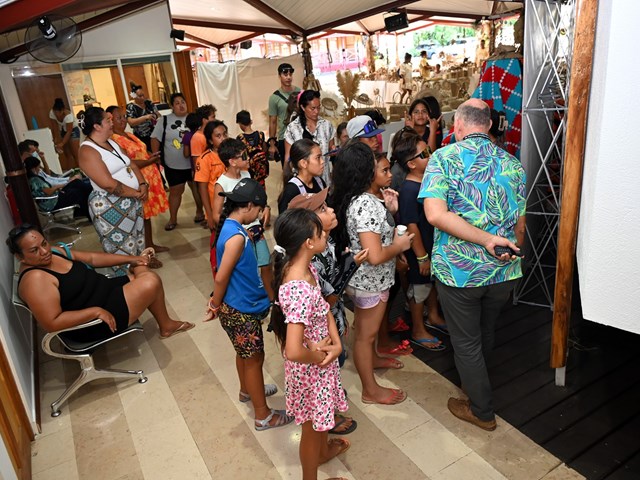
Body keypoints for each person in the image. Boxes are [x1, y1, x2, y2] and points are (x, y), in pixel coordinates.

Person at [420, 98, 526, 431]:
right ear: (489, 125)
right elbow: (520, 226)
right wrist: (504, 247)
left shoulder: (443, 158)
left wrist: (484, 240)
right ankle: (474, 381)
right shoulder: (513, 164)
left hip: (460, 271)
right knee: (485, 330)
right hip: (504, 270)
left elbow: (435, 214)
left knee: (466, 341)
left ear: (458, 126)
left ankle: (481, 410)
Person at [330, 142, 414, 405]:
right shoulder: (365, 205)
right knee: (365, 336)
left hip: (370, 279)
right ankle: (370, 390)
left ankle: (374, 358)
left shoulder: (365, 198)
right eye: (379, 167)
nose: (387, 172)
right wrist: (399, 245)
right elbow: (375, 255)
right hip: (369, 281)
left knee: (368, 330)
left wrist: (390, 211)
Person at [9, 224, 194, 343]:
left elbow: (92, 258)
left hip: (102, 292)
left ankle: (165, 323)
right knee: (150, 282)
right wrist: (95, 312)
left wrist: (131, 258)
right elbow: (52, 322)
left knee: (143, 272)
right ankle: (140, 269)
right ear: (20, 257)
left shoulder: (53, 252)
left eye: (44, 243)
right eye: (34, 250)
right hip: (91, 322)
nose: (44, 251)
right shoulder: (36, 279)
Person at [206, 179, 293, 431]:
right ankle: (263, 415)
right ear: (248, 206)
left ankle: (247, 390)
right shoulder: (236, 237)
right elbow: (221, 277)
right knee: (254, 359)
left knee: (244, 354)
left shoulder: (230, 227)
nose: (260, 214)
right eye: (260, 209)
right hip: (240, 309)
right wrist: (214, 305)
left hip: (236, 306)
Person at [270, 208, 350, 479]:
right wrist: (320, 356)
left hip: (321, 360)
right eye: (320, 233)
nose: (325, 235)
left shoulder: (306, 268)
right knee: (312, 429)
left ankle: (323, 452)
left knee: (321, 421)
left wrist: (336, 343)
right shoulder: (298, 288)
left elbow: (324, 308)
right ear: (308, 242)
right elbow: (294, 350)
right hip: (312, 368)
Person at [289, 189, 365, 435]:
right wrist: (351, 266)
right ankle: (327, 415)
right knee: (328, 373)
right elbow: (327, 299)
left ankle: (328, 406)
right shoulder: (309, 265)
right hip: (318, 344)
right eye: (322, 209)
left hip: (331, 324)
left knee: (334, 368)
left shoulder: (325, 246)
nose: (331, 210)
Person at [78, 107, 147, 276]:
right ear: (97, 126)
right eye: (107, 120)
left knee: (137, 242)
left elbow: (130, 163)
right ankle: (127, 282)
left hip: (132, 200)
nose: (112, 123)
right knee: (121, 250)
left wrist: (142, 183)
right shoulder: (87, 150)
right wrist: (136, 193)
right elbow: (108, 184)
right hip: (110, 206)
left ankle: (141, 277)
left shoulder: (112, 142)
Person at [396, 133, 445, 351]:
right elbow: (411, 226)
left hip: (430, 247)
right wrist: (422, 256)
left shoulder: (425, 183)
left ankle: (433, 316)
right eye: (424, 153)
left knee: (430, 284)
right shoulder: (408, 190)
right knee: (419, 289)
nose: (431, 155)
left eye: (429, 150)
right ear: (411, 163)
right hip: (419, 251)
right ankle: (417, 328)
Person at [211, 138, 273, 299]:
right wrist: (241, 231)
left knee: (266, 264)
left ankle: (271, 297)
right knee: (248, 267)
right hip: (241, 234)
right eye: (244, 156)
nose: (248, 159)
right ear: (232, 162)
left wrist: (265, 207)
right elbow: (216, 215)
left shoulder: (246, 174)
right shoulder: (221, 184)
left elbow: (256, 197)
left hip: (256, 229)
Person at [108, 105, 169, 265]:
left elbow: (141, 152)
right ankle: (145, 252)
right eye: (119, 118)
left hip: (147, 178)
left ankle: (150, 244)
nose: (123, 120)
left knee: (146, 217)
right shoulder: (113, 140)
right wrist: (150, 161)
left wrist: (151, 155)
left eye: (124, 117)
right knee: (141, 217)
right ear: (110, 121)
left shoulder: (128, 134)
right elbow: (128, 162)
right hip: (137, 180)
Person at [151, 93, 202, 231]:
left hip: (193, 164)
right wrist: (156, 156)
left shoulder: (194, 118)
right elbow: (155, 138)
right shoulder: (164, 120)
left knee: (197, 189)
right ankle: (173, 218)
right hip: (173, 165)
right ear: (172, 106)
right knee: (175, 192)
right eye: (177, 103)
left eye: (183, 102)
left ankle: (200, 212)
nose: (181, 105)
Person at [284, 90, 335, 186]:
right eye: (313, 108)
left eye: (318, 107)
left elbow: (331, 149)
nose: (316, 111)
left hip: (324, 179)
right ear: (303, 107)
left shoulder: (327, 125)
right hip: (302, 183)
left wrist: (333, 151)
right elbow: (288, 159)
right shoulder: (293, 128)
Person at [24, 154, 91, 219]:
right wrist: (57, 187)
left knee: (76, 182)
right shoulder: (35, 180)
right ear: (33, 168)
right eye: (38, 167)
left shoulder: (35, 178)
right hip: (53, 202)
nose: (39, 169)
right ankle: (82, 212)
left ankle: (81, 212)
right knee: (79, 192)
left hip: (56, 196)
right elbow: (48, 192)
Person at [277, 139, 326, 214]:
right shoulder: (292, 191)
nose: (322, 161)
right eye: (318, 158)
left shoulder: (320, 182)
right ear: (303, 163)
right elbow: (285, 220)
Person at [268, 63, 301, 164]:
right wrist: (272, 144)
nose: (288, 77)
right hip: (284, 137)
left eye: (290, 74)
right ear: (279, 76)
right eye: (285, 74)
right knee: (287, 168)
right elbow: (273, 122)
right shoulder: (274, 97)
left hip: (300, 135)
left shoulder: (300, 92)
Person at [236, 110, 269, 188]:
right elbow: (265, 151)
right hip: (261, 172)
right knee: (261, 189)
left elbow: (241, 156)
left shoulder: (240, 138)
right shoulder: (260, 135)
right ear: (250, 121)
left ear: (240, 124)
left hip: (248, 172)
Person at [125, 83, 160, 151]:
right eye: (140, 96)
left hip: (154, 134)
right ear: (134, 96)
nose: (143, 97)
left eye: (143, 95)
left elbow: (158, 114)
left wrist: (156, 117)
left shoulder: (149, 103)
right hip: (141, 137)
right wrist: (145, 117)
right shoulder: (131, 107)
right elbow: (131, 122)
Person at [49, 98, 80, 170]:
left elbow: (69, 131)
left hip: (73, 130)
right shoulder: (52, 113)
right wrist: (55, 139)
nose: (57, 115)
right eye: (55, 113)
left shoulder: (68, 116)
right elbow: (54, 127)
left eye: (59, 113)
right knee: (67, 154)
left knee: (76, 153)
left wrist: (62, 143)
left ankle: (82, 171)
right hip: (63, 130)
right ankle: (70, 171)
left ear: (63, 110)